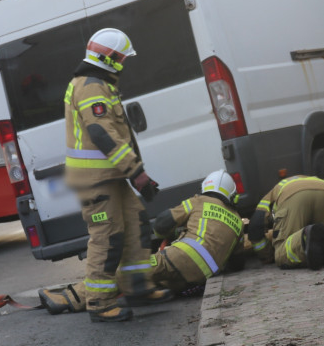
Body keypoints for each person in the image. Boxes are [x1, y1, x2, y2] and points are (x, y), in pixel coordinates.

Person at [38, 28, 171, 323]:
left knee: (136, 225)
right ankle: (99, 302)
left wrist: (135, 173)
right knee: (107, 238)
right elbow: (102, 133)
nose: (124, 64)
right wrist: (136, 173)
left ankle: (138, 286)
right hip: (96, 181)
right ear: (109, 58)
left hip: (109, 177)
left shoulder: (99, 84)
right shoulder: (91, 86)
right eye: (122, 59)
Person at [145, 169, 245, 294]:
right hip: (202, 275)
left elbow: (160, 225)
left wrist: (164, 234)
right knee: (161, 281)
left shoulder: (198, 201)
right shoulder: (238, 222)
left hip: (181, 258)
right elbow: (237, 263)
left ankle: (113, 294)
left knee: (135, 269)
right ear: (232, 194)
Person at [247, 175, 324, 270]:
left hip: (293, 197)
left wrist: (267, 256)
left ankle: (306, 236)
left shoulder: (271, 194)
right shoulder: (311, 180)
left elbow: (255, 226)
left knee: (282, 253)